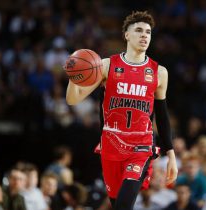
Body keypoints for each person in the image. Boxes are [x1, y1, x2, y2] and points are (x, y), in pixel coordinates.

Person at [66, 11, 178, 210]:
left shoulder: (159, 72)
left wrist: (171, 154)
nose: (145, 35)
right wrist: (75, 75)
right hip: (111, 145)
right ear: (126, 34)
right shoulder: (107, 66)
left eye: (148, 32)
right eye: (139, 30)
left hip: (141, 147)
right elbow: (73, 99)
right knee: (117, 204)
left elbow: (162, 115)